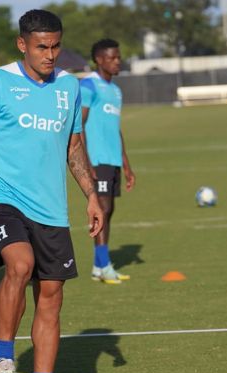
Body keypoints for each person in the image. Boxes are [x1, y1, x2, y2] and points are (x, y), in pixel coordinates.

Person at [0, 9, 103, 373]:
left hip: (52, 209)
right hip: (4, 197)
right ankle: (4, 355)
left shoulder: (70, 88)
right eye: (42, 46)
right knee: (19, 265)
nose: (51, 54)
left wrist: (91, 196)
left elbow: (74, 148)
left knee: (52, 295)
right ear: (22, 44)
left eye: (56, 46)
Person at [80, 38, 136, 284]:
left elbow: (116, 128)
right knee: (102, 210)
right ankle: (104, 267)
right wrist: (85, 160)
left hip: (112, 159)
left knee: (108, 210)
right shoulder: (89, 86)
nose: (117, 62)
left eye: (118, 57)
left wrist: (125, 162)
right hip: (97, 158)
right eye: (112, 58)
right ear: (99, 60)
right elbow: (78, 124)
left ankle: (97, 265)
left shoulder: (115, 90)